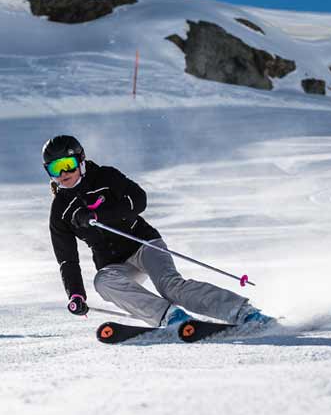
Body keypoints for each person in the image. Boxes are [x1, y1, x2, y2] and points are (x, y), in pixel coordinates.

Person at [44, 135, 272, 329]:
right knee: (104, 282)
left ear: (80, 160)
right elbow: (67, 260)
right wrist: (76, 295)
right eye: (55, 168)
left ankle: (243, 312)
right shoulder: (60, 211)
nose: (64, 173)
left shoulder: (105, 176)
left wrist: (98, 216)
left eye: (67, 164)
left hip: (143, 244)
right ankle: (170, 317)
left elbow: (138, 200)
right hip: (113, 262)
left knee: (170, 286)